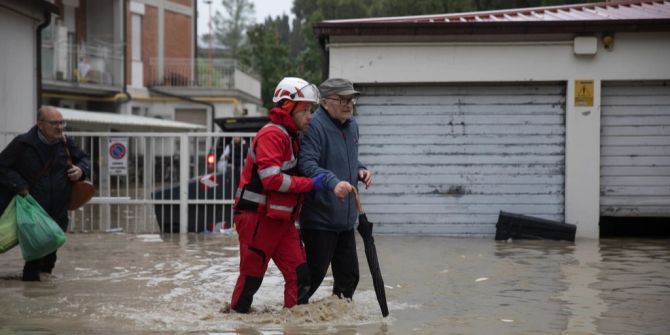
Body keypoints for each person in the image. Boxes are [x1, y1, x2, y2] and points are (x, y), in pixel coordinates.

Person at [229, 77, 327, 313]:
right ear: (287, 107)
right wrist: (309, 184)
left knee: (301, 277)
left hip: (281, 221)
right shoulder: (272, 135)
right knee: (251, 280)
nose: (310, 116)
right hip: (258, 219)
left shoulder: (290, 135)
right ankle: (238, 325)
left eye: (310, 110)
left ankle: (293, 326)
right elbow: (271, 179)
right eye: (305, 110)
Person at [298, 78, 373, 303]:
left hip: (346, 220)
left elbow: (347, 159)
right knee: (312, 280)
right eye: (342, 99)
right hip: (319, 220)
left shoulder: (352, 125)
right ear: (324, 102)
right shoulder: (314, 126)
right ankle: (290, 319)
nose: (348, 104)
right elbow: (307, 165)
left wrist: (361, 169)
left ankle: (337, 325)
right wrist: (332, 182)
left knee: (349, 279)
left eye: (351, 99)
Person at [0, 106, 91, 281]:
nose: (59, 127)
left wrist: (81, 170)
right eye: (54, 123)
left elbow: (84, 158)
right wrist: (19, 185)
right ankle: (32, 291)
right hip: (33, 209)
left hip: (58, 208)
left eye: (61, 122)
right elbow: (2, 166)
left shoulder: (65, 142)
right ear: (40, 124)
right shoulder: (23, 143)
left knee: (49, 257)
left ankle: (44, 291)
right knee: (35, 257)